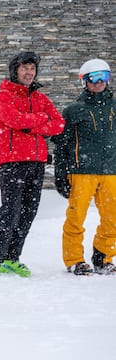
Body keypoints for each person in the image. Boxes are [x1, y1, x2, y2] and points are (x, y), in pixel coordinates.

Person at [0, 51, 64, 278]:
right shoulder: (4, 96)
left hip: (37, 162)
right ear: (15, 71)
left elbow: (58, 124)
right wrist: (40, 120)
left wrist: (31, 125)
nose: (29, 73)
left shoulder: (40, 98)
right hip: (12, 162)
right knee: (10, 210)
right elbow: (13, 120)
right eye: (24, 68)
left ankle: (12, 257)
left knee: (29, 211)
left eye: (32, 69)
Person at [53, 58, 116, 276]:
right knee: (76, 218)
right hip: (82, 172)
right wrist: (61, 174)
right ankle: (74, 260)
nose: (99, 83)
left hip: (111, 171)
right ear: (84, 81)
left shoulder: (114, 108)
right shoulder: (73, 110)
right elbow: (61, 146)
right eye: (94, 78)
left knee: (113, 218)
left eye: (104, 77)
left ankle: (103, 257)